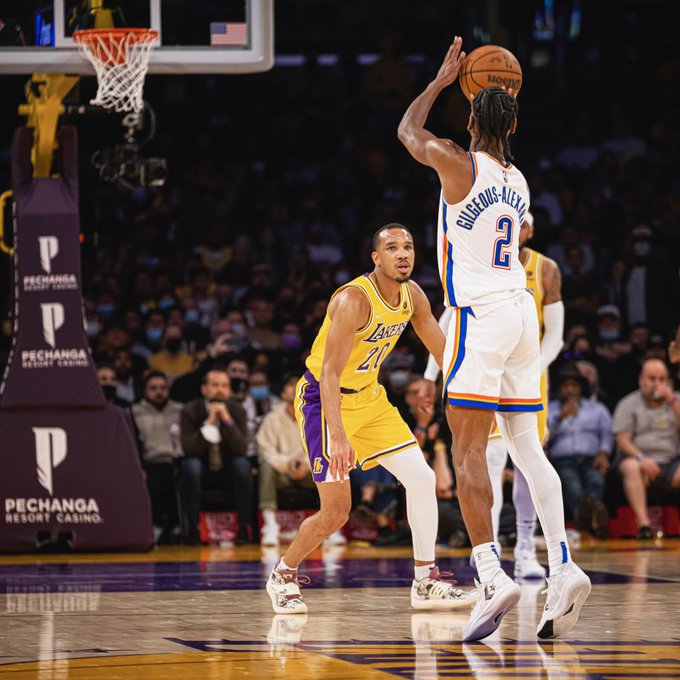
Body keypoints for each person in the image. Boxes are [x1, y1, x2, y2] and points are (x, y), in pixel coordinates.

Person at [398, 36, 590, 641]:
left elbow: (407, 130)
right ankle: (562, 564)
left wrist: (438, 79)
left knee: (469, 451)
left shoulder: (458, 162)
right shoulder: (518, 178)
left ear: (472, 112)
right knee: (528, 449)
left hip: (478, 317)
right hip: (520, 315)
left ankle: (490, 572)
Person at [265, 224, 477, 615]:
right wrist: (340, 436)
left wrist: (475, 390)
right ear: (376, 258)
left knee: (422, 478)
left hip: (370, 397)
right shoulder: (353, 300)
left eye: (409, 247)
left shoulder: (412, 295)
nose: (403, 254)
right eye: (392, 247)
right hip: (324, 400)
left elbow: (444, 353)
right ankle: (283, 572)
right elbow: (329, 373)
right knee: (336, 513)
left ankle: (425, 581)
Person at [424, 211, 565, 579]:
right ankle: (495, 550)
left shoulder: (544, 269)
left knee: (524, 465)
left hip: (525, 372)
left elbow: (556, 334)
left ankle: (524, 549)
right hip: (494, 368)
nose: (514, 230)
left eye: (521, 224)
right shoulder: (485, 260)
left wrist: (535, 368)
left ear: (530, 230)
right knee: (492, 461)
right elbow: (445, 319)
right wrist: (430, 372)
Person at [179, 368, 253, 544]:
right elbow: (189, 450)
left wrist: (227, 420)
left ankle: (244, 528)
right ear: (204, 389)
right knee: (191, 466)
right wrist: (210, 422)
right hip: (203, 472)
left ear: (229, 391)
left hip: (228, 471)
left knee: (242, 465)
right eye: (214, 385)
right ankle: (193, 530)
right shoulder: (190, 411)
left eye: (224, 386)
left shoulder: (237, 411)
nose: (219, 389)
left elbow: (241, 449)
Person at [612, 358, 680, 538]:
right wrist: (642, 458)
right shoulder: (629, 403)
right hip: (639, 460)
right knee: (631, 467)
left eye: (662, 379)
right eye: (652, 379)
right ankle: (644, 526)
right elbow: (623, 441)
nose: (657, 384)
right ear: (641, 380)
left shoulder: (676, 401)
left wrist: (673, 401)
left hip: (671, 462)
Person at [547, 365, 613, 539]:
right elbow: (543, 437)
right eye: (566, 386)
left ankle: (585, 523)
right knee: (571, 483)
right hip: (563, 459)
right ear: (559, 388)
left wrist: (604, 453)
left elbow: (606, 434)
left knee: (595, 480)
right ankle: (595, 522)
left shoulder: (597, 409)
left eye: (574, 385)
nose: (570, 390)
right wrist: (559, 418)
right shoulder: (549, 409)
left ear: (580, 388)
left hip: (592, 457)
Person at [257, 373, 317, 546]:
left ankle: (333, 527)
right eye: (291, 385)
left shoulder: (315, 418)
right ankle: (270, 525)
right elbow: (265, 452)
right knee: (265, 466)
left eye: (300, 384)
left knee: (331, 467)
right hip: (281, 474)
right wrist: (288, 464)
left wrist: (305, 464)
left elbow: (322, 450)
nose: (296, 387)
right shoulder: (272, 419)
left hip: (310, 473)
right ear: (283, 394)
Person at [131, 372, 184, 544]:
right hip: (149, 462)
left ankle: (178, 526)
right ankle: (156, 526)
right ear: (144, 391)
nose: (159, 392)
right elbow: (132, 443)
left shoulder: (180, 410)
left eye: (163, 388)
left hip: (176, 461)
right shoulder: (135, 411)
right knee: (154, 478)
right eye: (153, 389)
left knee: (182, 475)